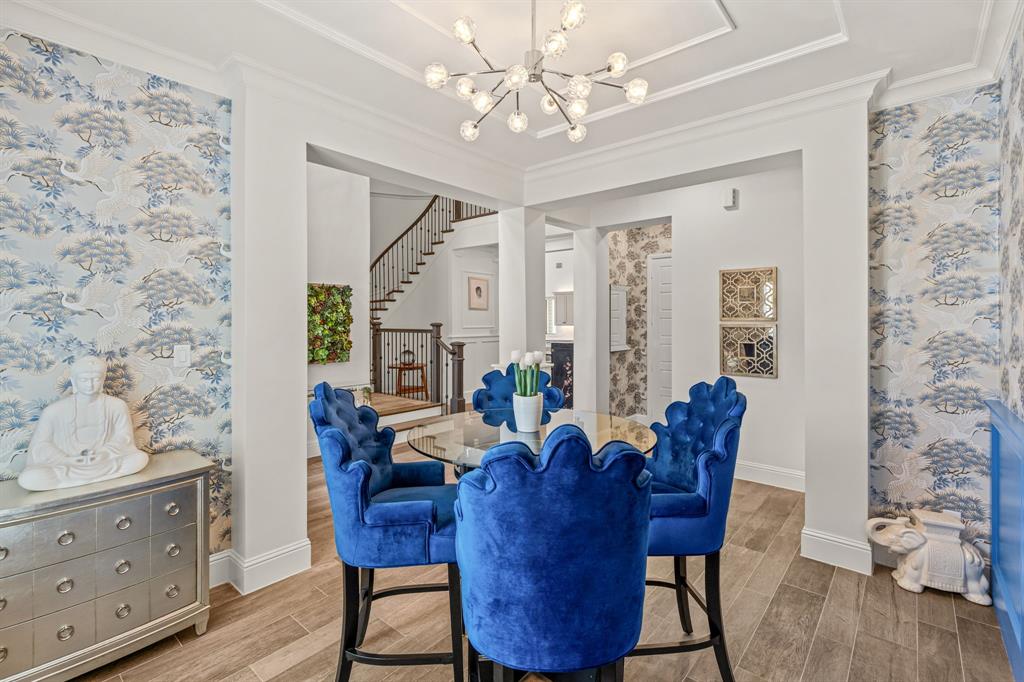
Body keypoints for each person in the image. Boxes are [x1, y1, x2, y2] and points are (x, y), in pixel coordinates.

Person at [18, 356, 149, 491]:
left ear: (103, 380)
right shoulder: (54, 411)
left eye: (96, 379)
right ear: (74, 381)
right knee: (29, 478)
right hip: (67, 466)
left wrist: (105, 453)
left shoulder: (116, 406)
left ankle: (79, 479)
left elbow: (124, 438)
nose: (90, 384)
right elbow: (41, 445)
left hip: (104, 461)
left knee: (139, 459)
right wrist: (65, 459)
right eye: (84, 380)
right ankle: (80, 477)